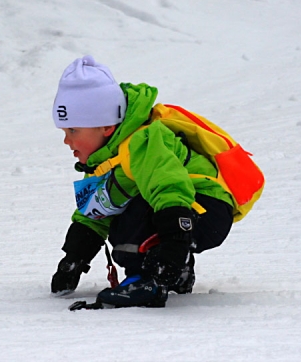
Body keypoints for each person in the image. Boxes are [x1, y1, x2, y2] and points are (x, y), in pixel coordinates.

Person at [50, 55, 234, 308]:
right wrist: (74, 259)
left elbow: (169, 188)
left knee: (129, 219)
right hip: (182, 211)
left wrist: (174, 246)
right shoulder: (105, 159)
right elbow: (96, 210)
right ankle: (176, 273)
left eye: (73, 131)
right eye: (64, 131)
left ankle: (149, 280)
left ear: (105, 126)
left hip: (201, 208)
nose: (66, 140)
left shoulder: (144, 141)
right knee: (122, 206)